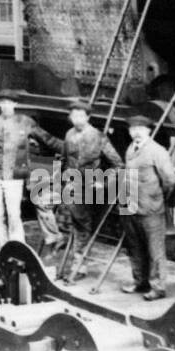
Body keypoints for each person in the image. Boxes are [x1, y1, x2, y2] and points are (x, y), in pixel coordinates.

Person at [51, 100, 121, 282]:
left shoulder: (98, 136)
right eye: (74, 116)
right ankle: (78, 264)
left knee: (83, 226)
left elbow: (118, 165)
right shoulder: (69, 135)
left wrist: (104, 182)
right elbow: (65, 160)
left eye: (81, 116)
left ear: (88, 117)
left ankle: (78, 266)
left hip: (92, 187)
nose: (77, 119)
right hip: (73, 185)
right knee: (77, 225)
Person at [0, 96, 58, 252]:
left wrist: (67, 148)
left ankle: (17, 246)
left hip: (14, 176)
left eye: (9, 103)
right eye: (3, 103)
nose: (6, 106)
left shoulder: (25, 122)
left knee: (14, 213)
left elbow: (47, 139)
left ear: (15, 104)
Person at [119, 115, 175, 300]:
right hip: (130, 206)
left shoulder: (157, 151)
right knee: (135, 247)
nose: (136, 132)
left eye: (140, 129)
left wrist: (157, 197)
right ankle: (140, 282)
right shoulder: (131, 149)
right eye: (132, 129)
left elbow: (170, 180)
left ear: (148, 131)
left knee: (155, 250)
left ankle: (158, 288)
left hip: (151, 208)